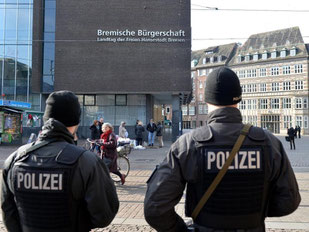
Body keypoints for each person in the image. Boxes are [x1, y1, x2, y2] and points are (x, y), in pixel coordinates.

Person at [144, 67, 301, 231]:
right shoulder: (269, 143)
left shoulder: (187, 144)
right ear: (239, 98)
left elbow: (155, 208)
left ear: (207, 100)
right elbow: (289, 201)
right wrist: (255, 213)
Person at [1, 90, 119, 232]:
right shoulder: (87, 162)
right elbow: (104, 215)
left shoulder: (15, 159)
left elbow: (8, 213)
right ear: (76, 122)